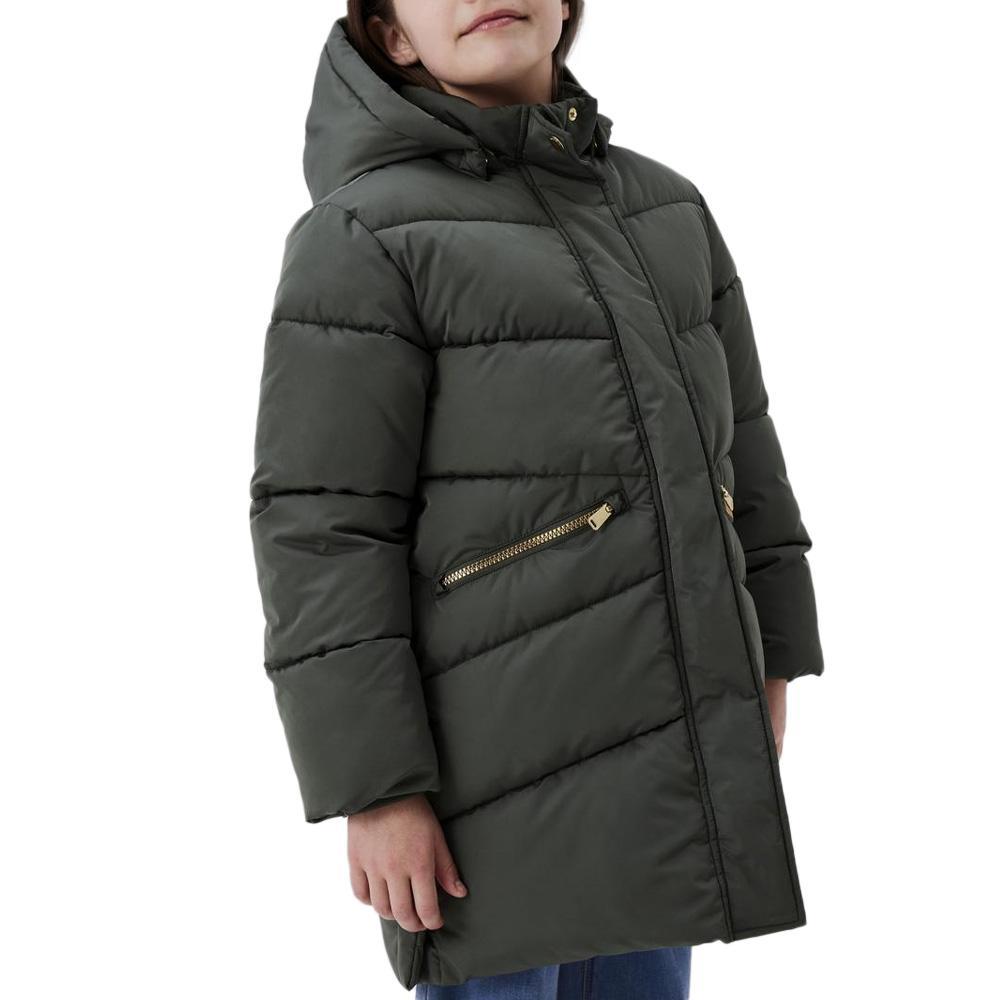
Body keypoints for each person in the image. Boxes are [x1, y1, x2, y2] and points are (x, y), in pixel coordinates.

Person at [248, 2, 825, 997]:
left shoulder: (668, 212)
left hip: (663, 762)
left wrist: (774, 649)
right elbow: (323, 526)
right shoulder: (364, 236)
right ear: (393, 36)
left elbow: (746, 449)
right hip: (485, 785)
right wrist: (375, 789)